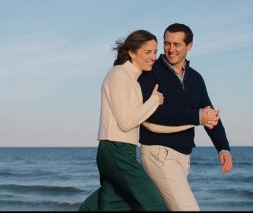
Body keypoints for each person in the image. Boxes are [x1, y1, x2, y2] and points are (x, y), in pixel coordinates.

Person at [79, 29, 194, 211]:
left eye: (155, 52)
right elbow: (126, 122)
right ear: (132, 53)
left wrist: (194, 120)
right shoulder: (118, 74)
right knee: (155, 204)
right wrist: (154, 101)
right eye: (147, 52)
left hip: (123, 150)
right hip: (116, 149)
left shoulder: (133, 79)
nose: (153, 57)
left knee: (113, 204)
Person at [138, 23, 233, 211]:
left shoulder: (196, 78)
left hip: (184, 157)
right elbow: (152, 113)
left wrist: (223, 148)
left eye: (177, 44)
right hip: (159, 153)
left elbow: (209, 113)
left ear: (189, 46)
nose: (170, 49)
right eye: (167, 44)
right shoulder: (151, 72)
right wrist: (197, 117)